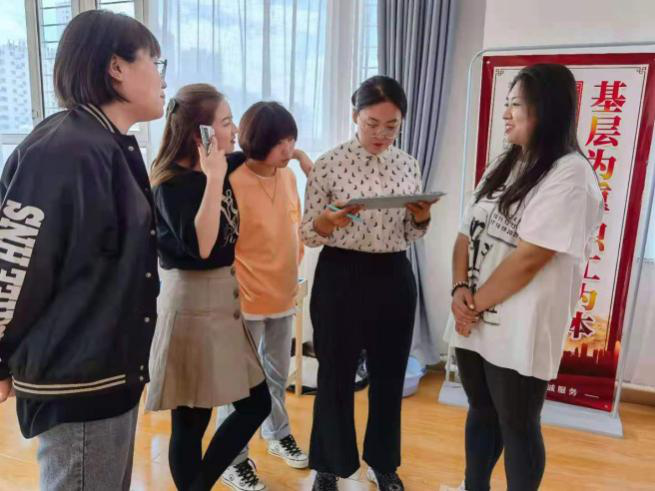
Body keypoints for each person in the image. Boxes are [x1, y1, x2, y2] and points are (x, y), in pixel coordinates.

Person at [0, 10, 165, 491]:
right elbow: (14, 264)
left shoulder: (107, 144)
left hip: (106, 373)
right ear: (117, 67)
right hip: (77, 380)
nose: (162, 78)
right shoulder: (65, 150)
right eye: (155, 62)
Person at [443, 64, 603, 491]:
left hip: (519, 323)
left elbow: (531, 257)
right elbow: (466, 231)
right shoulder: (506, 160)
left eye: (516, 105)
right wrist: (459, 290)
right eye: (507, 103)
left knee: (517, 423)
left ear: (545, 111)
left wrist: (471, 306)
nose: (506, 114)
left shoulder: (570, 173)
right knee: (480, 410)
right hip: (474, 314)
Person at [300, 75, 438, 491]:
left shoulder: (408, 164)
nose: (381, 134)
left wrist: (421, 216)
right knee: (335, 375)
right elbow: (308, 232)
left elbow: (412, 232)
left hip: (393, 275)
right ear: (354, 116)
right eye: (372, 123)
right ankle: (329, 464)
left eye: (391, 126)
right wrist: (328, 221)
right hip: (340, 275)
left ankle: (383, 463)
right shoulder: (328, 164)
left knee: (390, 376)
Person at [147, 84, 271, 491]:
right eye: (225, 122)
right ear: (198, 134)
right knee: (191, 420)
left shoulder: (215, 166)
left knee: (254, 404)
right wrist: (215, 176)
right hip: (192, 306)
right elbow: (202, 246)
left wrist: (292, 153)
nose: (233, 130)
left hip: (222, 303)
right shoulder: (172, 184)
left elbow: (248, 152)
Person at [217, 101, 311, 491]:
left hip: (283, 293)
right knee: (237, 384)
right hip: (245, 298)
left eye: (291, 140)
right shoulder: (232, 179)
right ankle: (232, 458)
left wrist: (293, 267)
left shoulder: (287, 176)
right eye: (280, 142)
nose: (288, 149)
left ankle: (277, 433)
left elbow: (295, 226)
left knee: (277, 373)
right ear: (257, 142)